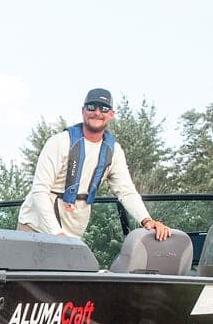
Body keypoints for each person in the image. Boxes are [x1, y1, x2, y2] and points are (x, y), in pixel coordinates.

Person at [17, 88, 171, 242]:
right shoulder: (59, 142)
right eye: (92, 107)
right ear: (83, 111)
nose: (97, 112)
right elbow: (39, 190)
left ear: (111, 114)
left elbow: (127, 192)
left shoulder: (114, 151)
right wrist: (56, 234)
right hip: (36, 228)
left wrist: (148, 221)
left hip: (71, 235)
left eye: (103, 108)